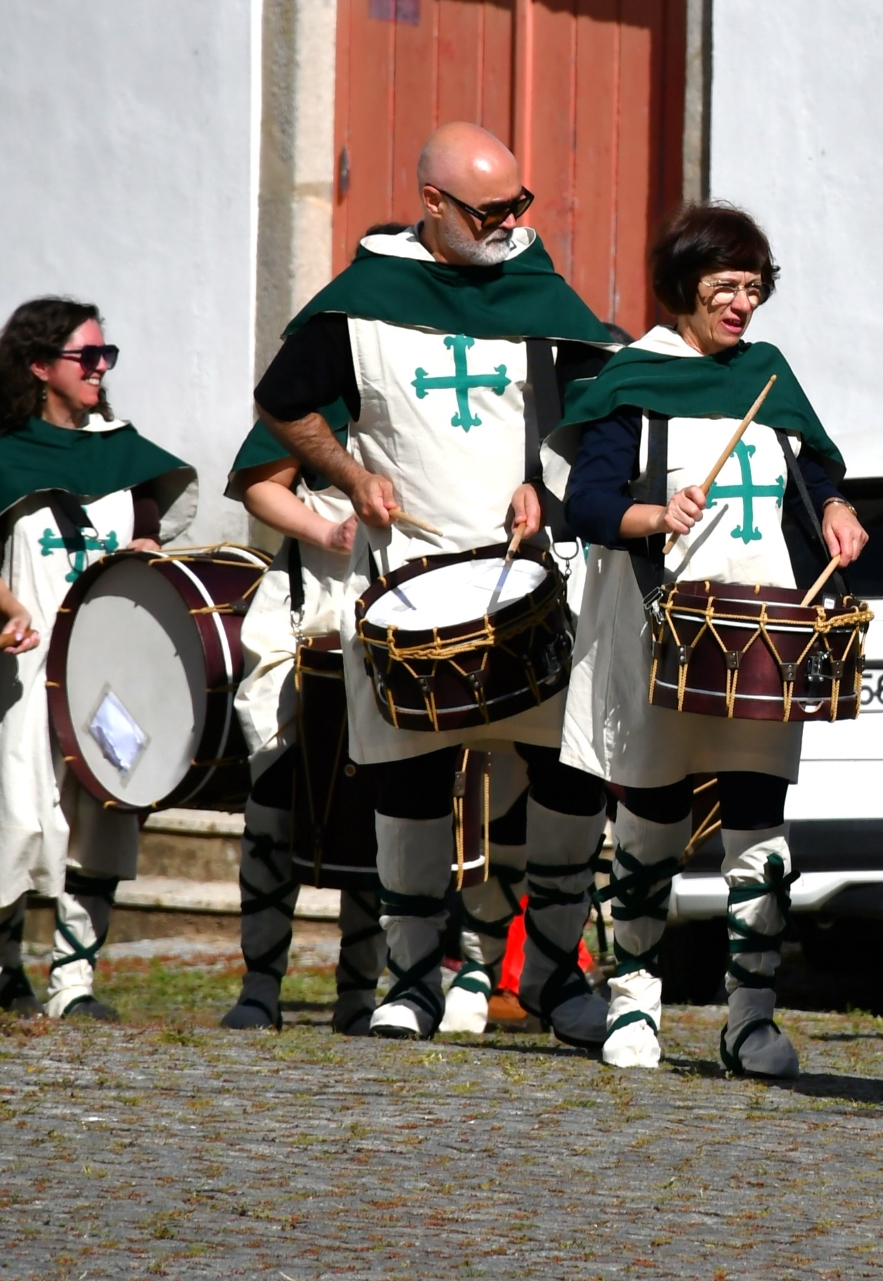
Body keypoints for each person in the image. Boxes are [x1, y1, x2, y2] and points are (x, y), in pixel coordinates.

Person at [253, 122, 615, 1044]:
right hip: (405, 581)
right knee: (407, 785)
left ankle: (549, 973)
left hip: (529, 576)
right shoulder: (361, 303)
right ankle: (413, 981)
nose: (508, 224)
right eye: (489, 210)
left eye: (516, 205)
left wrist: (550, 475)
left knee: (571, 774)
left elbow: (592, 419)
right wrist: (346, 471)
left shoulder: (537, 290)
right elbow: (282, 402)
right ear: (431, 203)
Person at [548, 203, 867, 1076]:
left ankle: (750, 1019)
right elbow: (586, 503)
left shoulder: (767, 377)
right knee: (649, 824)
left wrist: (837, 510)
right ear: (684, 287)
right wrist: (653, 512)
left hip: (758, 636)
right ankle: (633, 1004)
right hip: (657, 635)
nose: (742, 306)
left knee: (759, 830)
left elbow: (814, 471)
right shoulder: (631, 381)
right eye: (726, 287)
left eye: (754, 289)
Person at [0, 297, 196, 1017]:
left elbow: (146, 533)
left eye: (105, 355)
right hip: (22, 667)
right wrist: (6, 607)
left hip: (108, 661)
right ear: (39, 365)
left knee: (106, 811)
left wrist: (148, 553)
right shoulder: (5, 450)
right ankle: (7, 970)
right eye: (87, 356)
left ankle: (74, 983)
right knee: (21, 816)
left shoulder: (120, 447)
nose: (100, 368)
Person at [217, 403, 392, 1034]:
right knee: (274, 791)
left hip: (402, 622)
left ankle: (359, 993)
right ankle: (261, 985)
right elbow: (260, 485)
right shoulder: (319, 398)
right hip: (306, 609)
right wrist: (327, 534)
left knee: (382, 804)